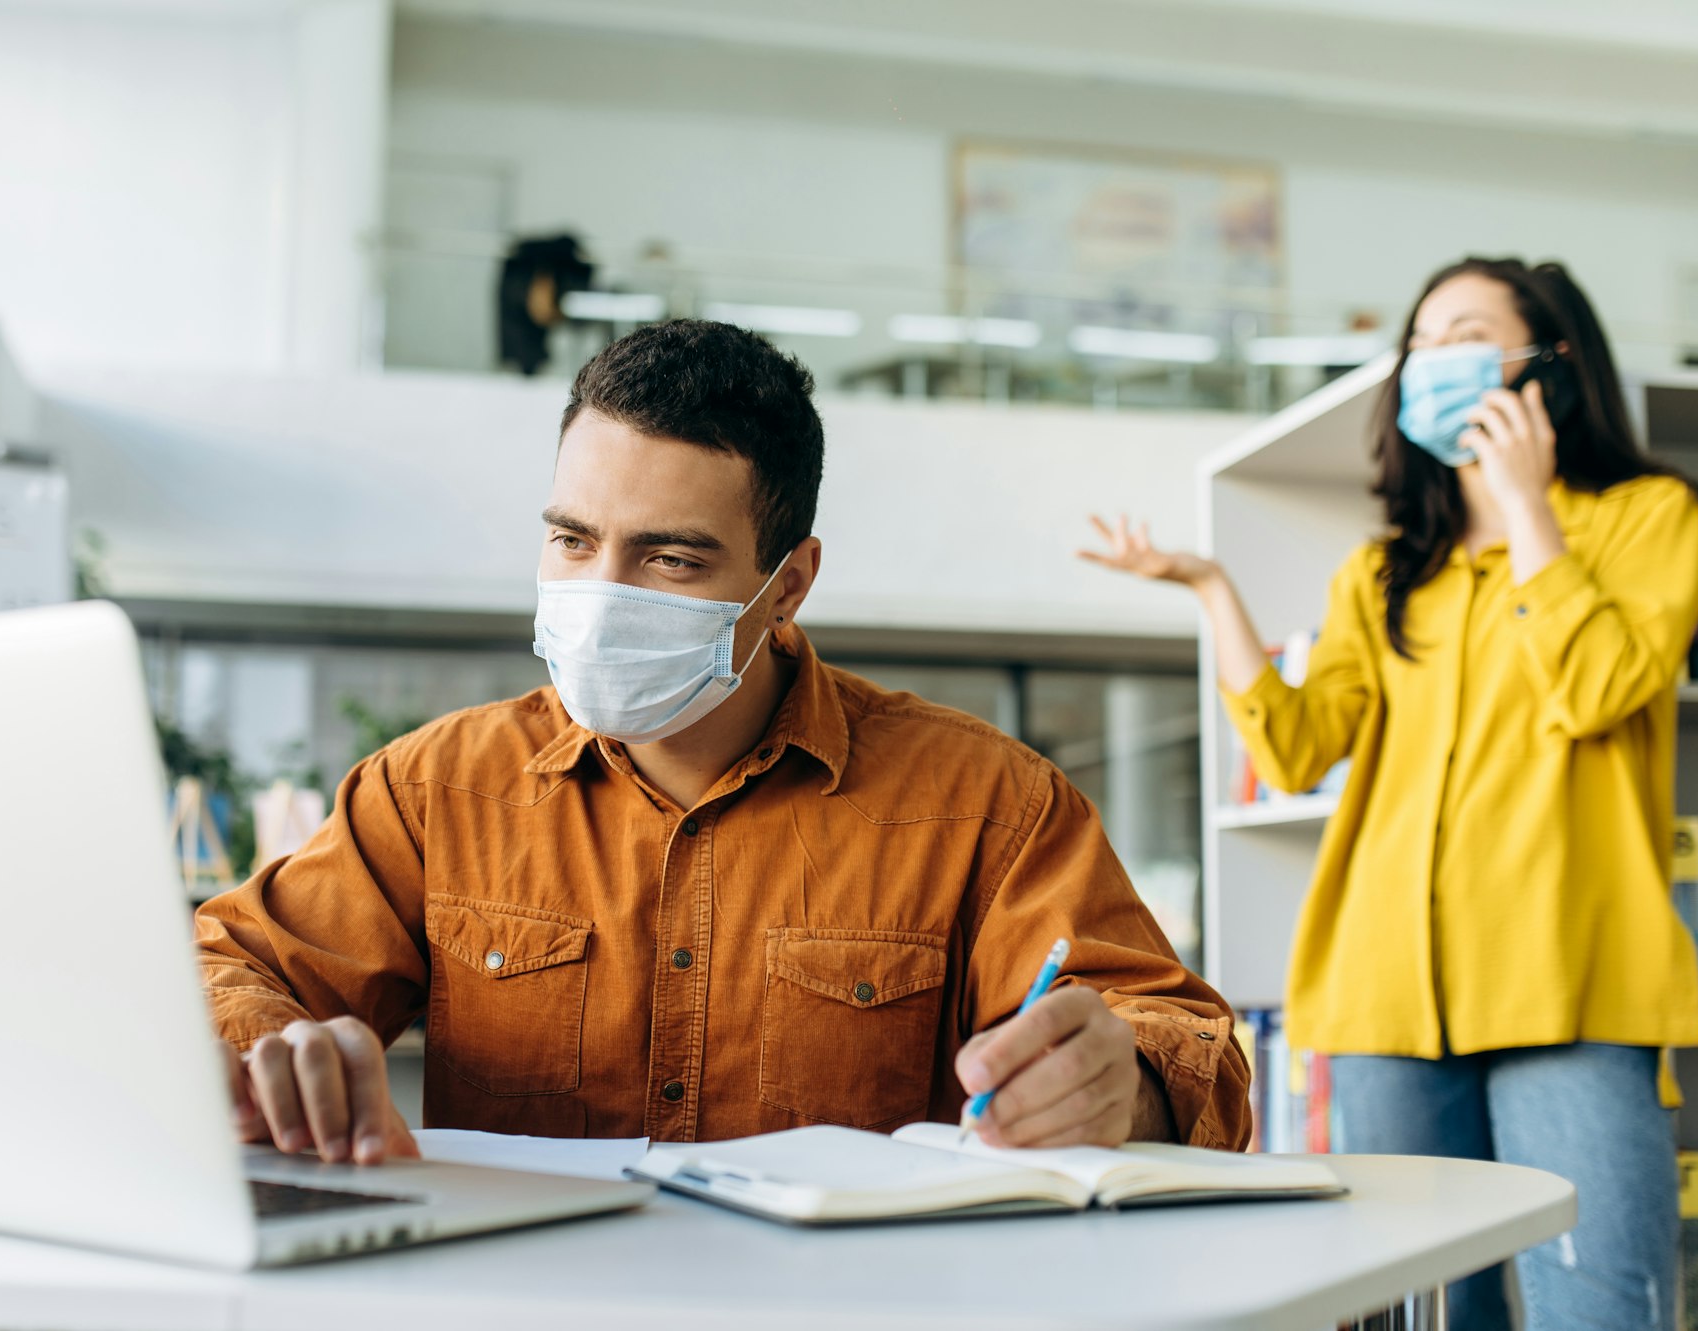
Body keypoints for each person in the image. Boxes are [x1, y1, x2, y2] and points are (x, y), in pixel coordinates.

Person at [196, 319, 1251, 1167]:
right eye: (571, 539)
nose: (600, 592)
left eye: (669, 559)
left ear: (786, 583)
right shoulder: (433, 791)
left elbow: (1182, 1043)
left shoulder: (983, 803)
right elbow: (227, 964)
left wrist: (1130, 1081)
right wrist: (270, 1050)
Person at [1084, 258, 1698, 1331]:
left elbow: (1600, 689)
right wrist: (1210, 588)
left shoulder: (1653, 517)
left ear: (1547, 365)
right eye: (1419, 341)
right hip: (1383, 988)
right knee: (1415, 1311)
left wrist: (1525, 509)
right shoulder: (1380, 574)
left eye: (1466, 333)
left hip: (1571, 978)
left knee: (1600, 1307)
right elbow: (1291, 748)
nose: (1433, 359)